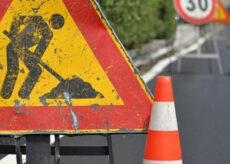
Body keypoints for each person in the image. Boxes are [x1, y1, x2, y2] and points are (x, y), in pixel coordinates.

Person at [1, 14, 64, 99]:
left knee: (36, 70)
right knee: (13, 69)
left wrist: (36, 57)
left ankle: (23, 93)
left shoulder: (49, 34)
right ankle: (5, 93)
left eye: (57, 25)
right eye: (54, 22)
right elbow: (17, 18)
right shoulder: (37, 19)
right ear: (50, 18)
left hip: (24, 51)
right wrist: (13, 34)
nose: (54, 25)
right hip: (13, 45)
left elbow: (39, 51)